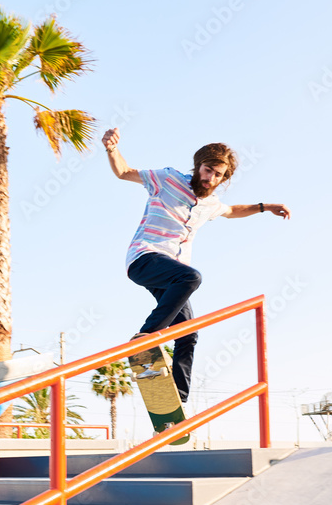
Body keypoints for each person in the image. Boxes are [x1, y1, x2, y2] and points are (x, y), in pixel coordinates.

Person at [102, 127, 291, 404]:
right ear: (198, 166)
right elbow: (124, 172)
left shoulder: (211, 204)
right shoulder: (167, 178)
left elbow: (232, 211)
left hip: (171, 274)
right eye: (207, 170)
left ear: (224, 178)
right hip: (145, 258)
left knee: (188, 333)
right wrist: (111, 149)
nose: (209, 178)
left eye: (217, 175)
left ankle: (176, 401)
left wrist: (265, 206)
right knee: (192, 278)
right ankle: (146, 337)